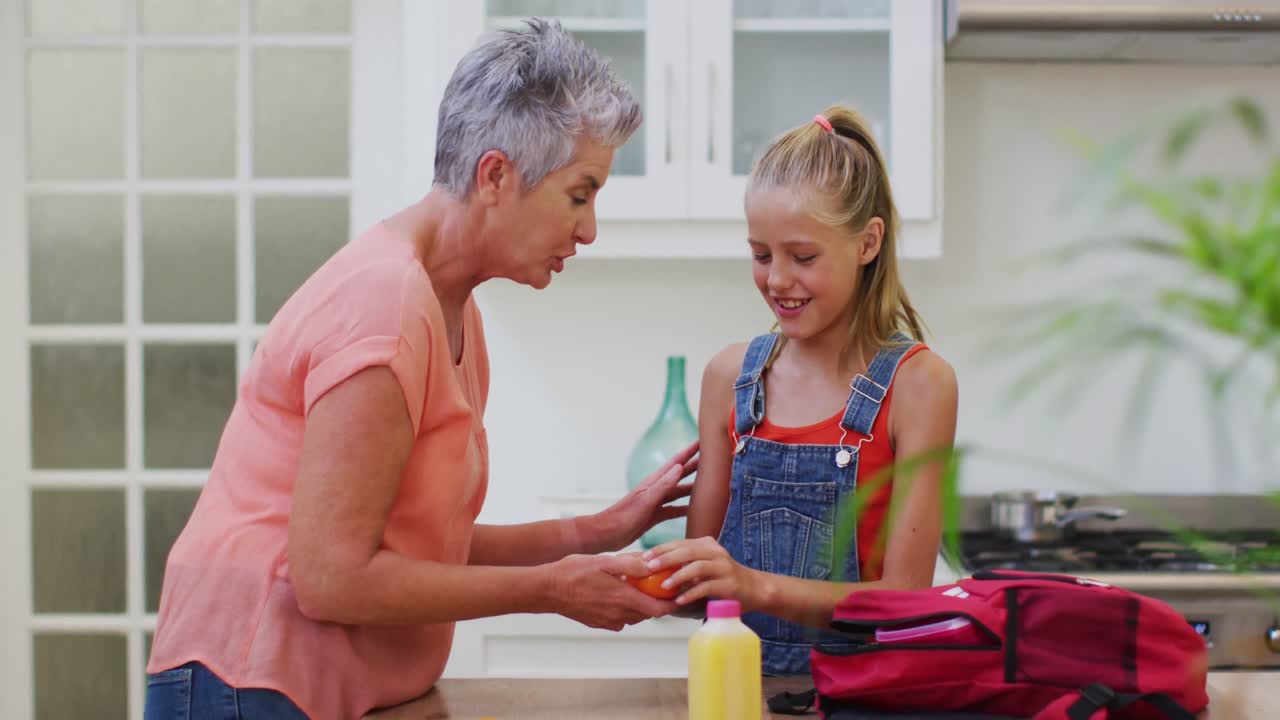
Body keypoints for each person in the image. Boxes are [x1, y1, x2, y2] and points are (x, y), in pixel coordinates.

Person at [144, 19, 696, 720]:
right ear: (496, 175)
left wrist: (595, 533)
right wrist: (553, 589)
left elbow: (423, 547)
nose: (588, 229)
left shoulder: (451, 309)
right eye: (580, 194)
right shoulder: (382, 306)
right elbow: (331, 580)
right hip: (247, 678)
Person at [643, 106, 959, 676]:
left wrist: (756, 586)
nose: (777, 280)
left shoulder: (919, 386)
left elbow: (905, 604)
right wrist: (636, 566)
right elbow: (699, 589)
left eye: (803, 257)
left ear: (867, 243)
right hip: (737, 693)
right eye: (761, 255)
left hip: (862, 701)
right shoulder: (728, 379)